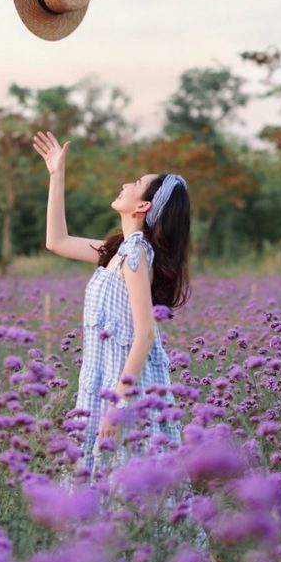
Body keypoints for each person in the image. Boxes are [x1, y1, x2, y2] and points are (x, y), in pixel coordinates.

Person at [31, 130, 191, 476]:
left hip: (123, 389)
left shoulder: (135, 253)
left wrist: (119, 403)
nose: (125, 184)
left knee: (123, 487)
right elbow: (57, 241)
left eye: (135, 182)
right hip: (104, 381)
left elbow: (145, 334)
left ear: (143, 205)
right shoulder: (120, 251)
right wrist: (56, 175)